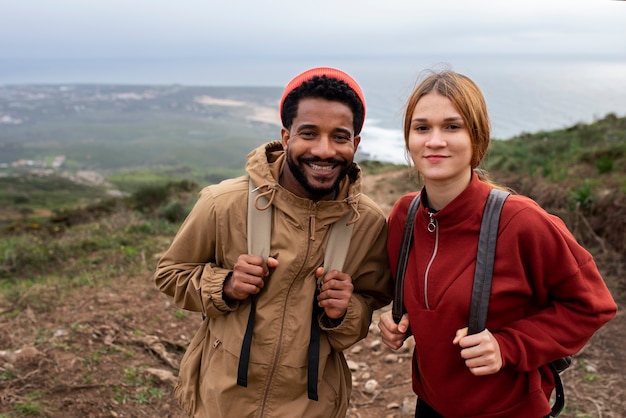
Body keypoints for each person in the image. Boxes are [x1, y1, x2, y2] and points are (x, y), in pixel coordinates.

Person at [154, 67, 393, 418]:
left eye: (339, 137)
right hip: (222, 402)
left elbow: (372, 301)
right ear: (286, 136)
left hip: (314, 407)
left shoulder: (368, 223)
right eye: (309, 134)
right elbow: (170, 274)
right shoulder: (223, 203)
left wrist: (345, 309)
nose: (324, 151)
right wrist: (226, 285)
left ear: (355, 144)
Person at [378, 69, 618, 418]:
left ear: (478, 137)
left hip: (507, 409)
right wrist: (405, 318)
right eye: (422, 127)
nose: (434, 140)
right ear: (408, 138)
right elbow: (435, 295)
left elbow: (593, 306)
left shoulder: (521, 221)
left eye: (452, 126)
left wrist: (508, 346)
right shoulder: (404, 216)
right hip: (429, 404)